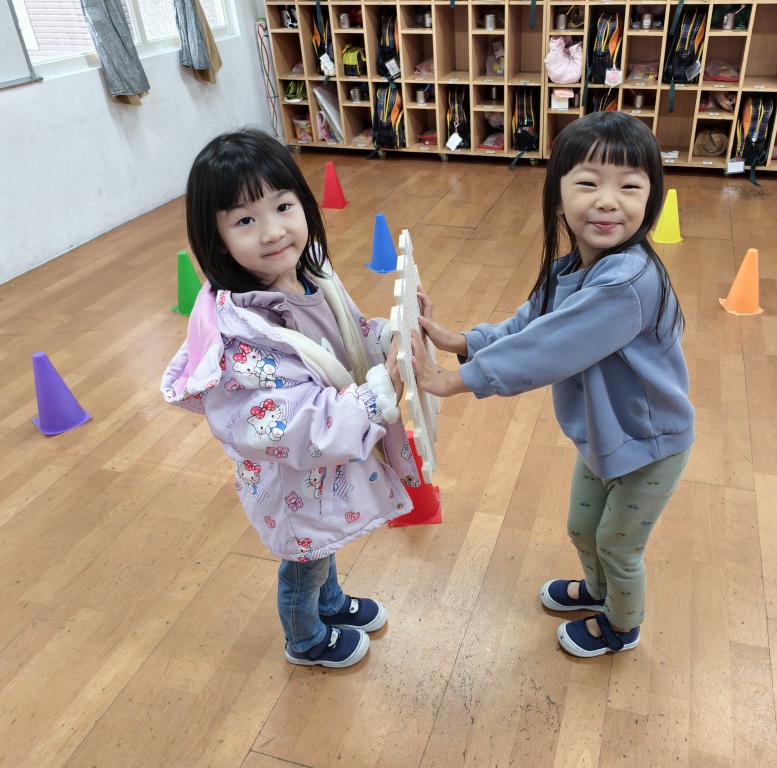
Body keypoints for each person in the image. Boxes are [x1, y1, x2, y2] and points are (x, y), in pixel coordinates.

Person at [412, 112, 695, 658]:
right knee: (583, 529)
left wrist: (452, 382)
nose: (608, 201)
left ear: (651, 202)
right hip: (603, 435)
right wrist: (462, 341)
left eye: (629, 187)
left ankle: (622, 627)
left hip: (652, 446)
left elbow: (547, 349)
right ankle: (597, 591)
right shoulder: (572, 268)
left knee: (618, 545)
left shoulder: (627, 281)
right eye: (588, 183)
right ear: (559, 198)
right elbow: (529, 327)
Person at [162, 128, 420, 669]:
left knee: (323, 543)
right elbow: (295, 425)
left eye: (283, 206)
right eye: (245, 220)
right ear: (216, 239)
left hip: (321, 472)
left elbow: (347, 340)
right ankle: (304, 640)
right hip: (292, 480)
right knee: (304, 560)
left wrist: (390, 337)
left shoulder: (309, 277)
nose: (274, 231)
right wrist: (378, 393)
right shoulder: (240, 338)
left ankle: (330, 603)